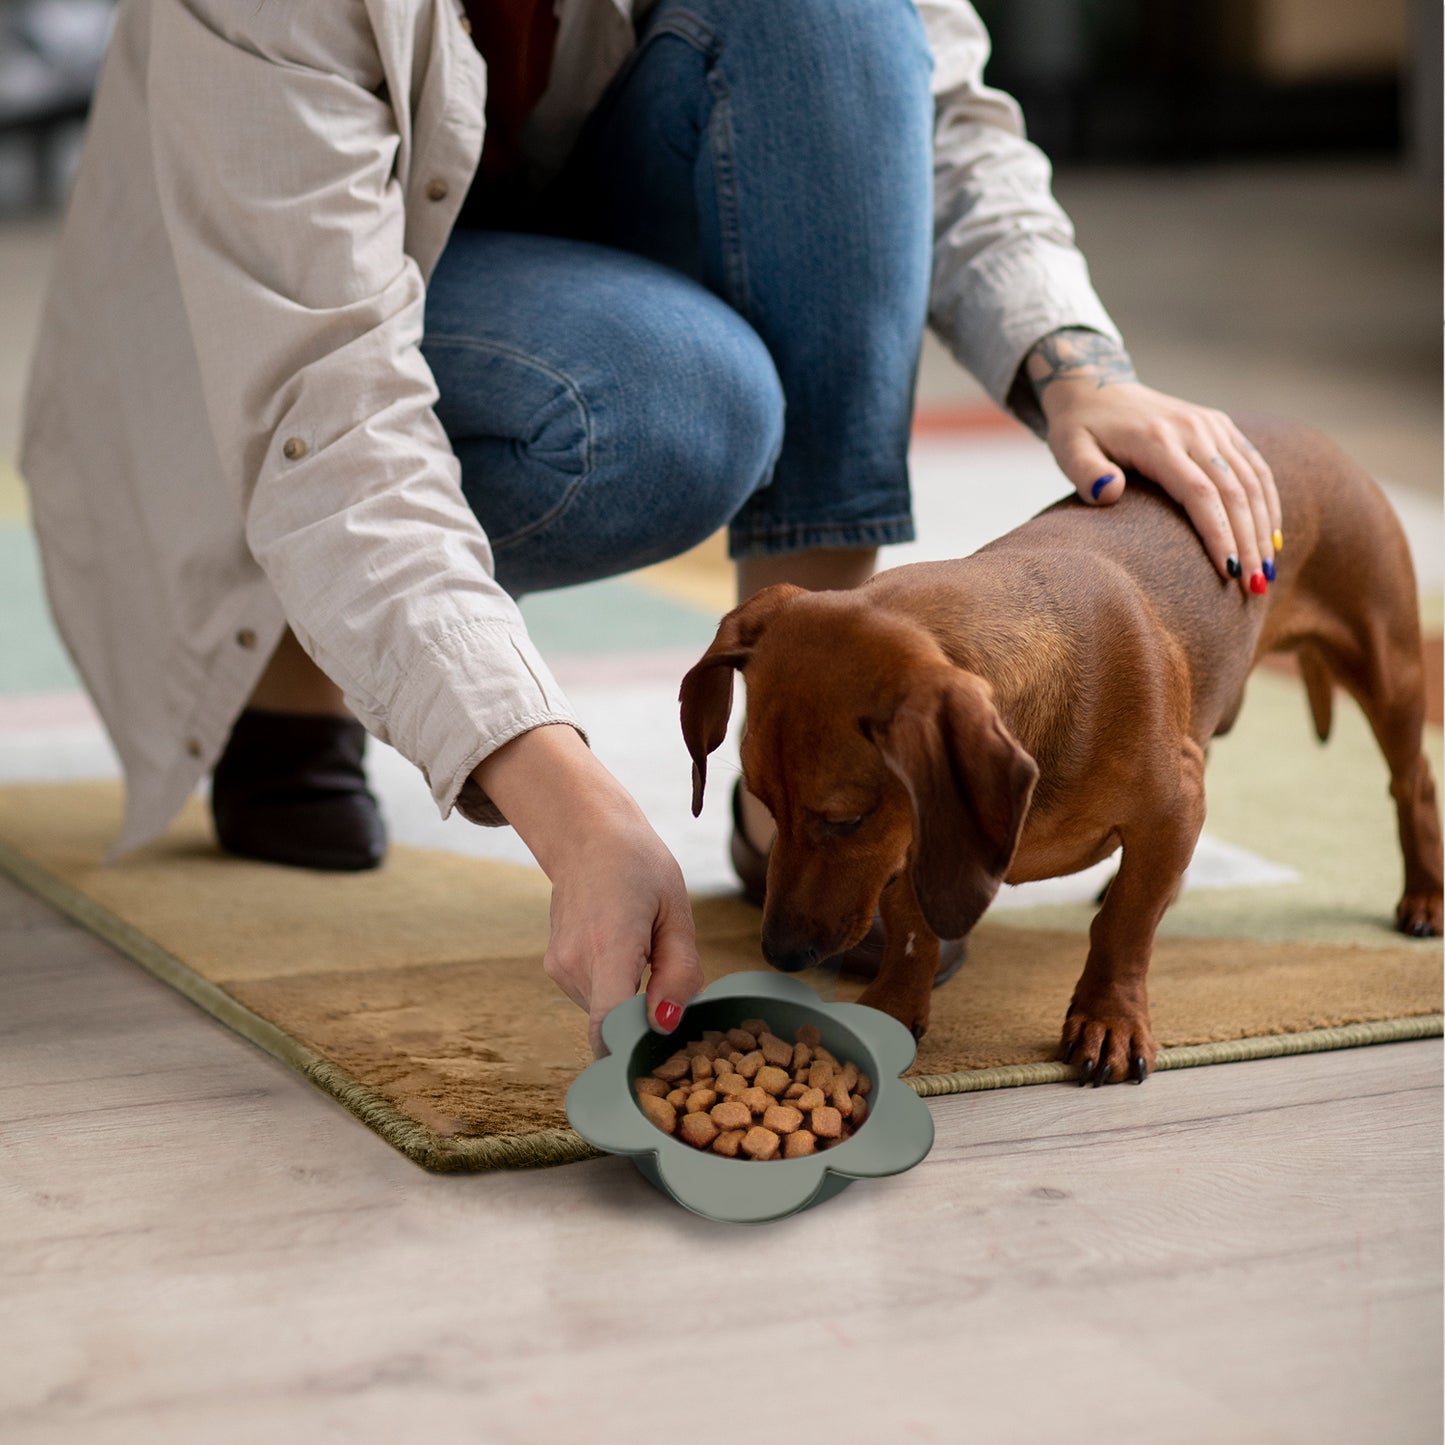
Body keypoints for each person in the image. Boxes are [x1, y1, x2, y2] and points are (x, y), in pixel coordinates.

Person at [20, 0, 1281, 1060]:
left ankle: (793, 779)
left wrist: (1072, 360)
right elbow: (325, 409)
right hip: (297, 326)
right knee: (676, 408)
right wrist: (568, 808)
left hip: (606, 216)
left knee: (838, 20)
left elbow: (924, 104)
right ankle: (291, 680)